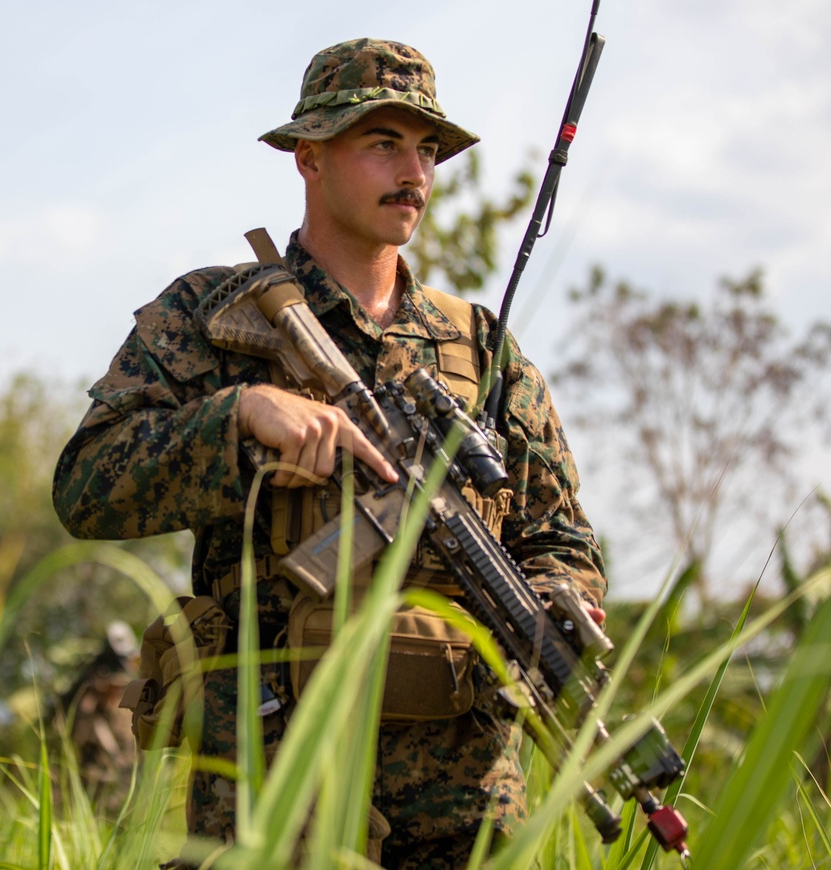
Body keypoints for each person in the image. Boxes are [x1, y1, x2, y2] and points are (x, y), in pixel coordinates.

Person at [53, 37, 607, 868]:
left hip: (460, 802)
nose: (413, 171)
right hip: (268, 782)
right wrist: (237, 417)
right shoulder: (213, 315)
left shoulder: (481, 348)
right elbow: (87, 485)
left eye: (426, 149)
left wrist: (561, 596)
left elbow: (559, 534)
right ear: (310, 156)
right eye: (382, 142)